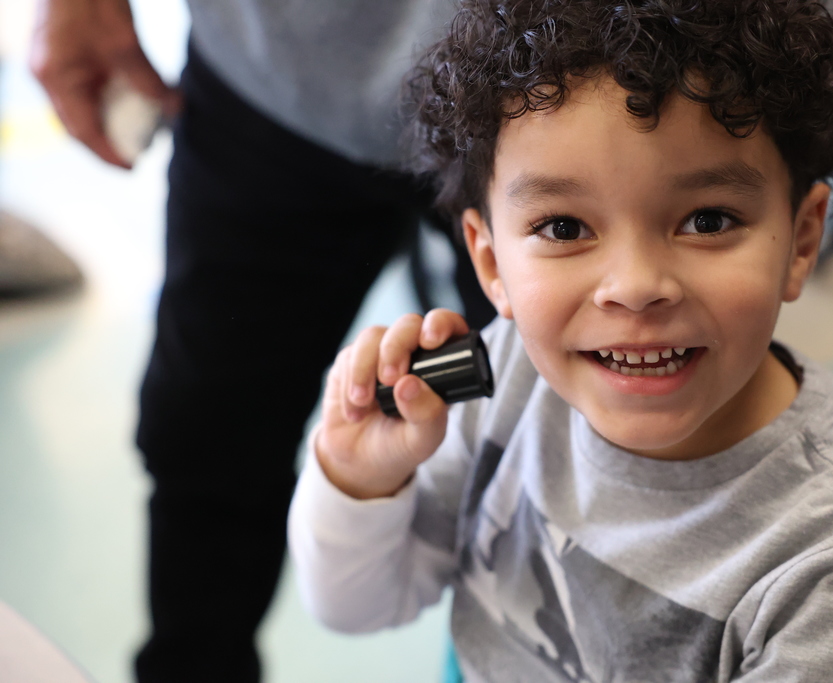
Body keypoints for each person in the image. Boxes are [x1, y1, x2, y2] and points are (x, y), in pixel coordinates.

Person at [287, 0, 833, 680]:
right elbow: (357, 607)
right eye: (565, 228)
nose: (635, 287)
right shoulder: (507, 374)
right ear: (490, 264)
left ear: (802, 240)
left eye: (708, 220)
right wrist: (360, 477)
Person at [29, 0, 495, 681]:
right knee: (205, 441)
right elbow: (350, 603)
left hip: (552, 86)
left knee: (555, 445)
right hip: (270, 75)